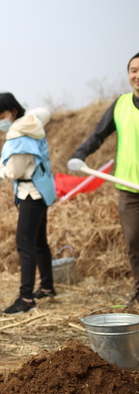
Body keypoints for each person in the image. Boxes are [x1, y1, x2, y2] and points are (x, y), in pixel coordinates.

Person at [67, 52, 139, 307]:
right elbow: (98, 135)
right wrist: (80, 154)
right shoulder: (121, 105)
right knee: (134, 243)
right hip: (129, 191)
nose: (137, 75)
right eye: (133, 70)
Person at [0, 92, 57, 314]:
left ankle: (26, 298)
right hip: (42, 189)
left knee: (25, 244)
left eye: (1, 115)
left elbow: (15, 171)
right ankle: (47, 288)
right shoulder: (31, 124)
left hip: (31, 193)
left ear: (13, 111)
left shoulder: (19, 137)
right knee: (39, 242)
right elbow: (44, 113)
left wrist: (1, 172)